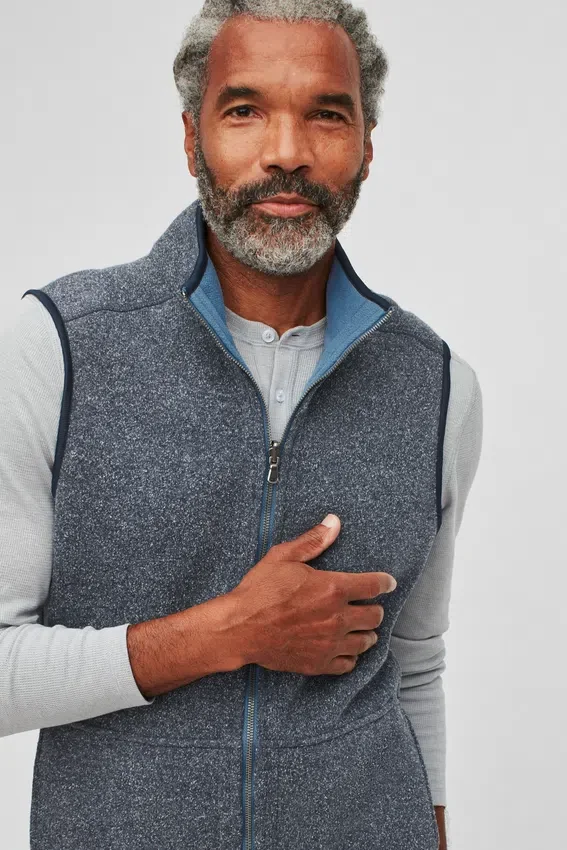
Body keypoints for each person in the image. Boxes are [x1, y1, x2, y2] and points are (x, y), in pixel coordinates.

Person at [0, 2, 483, 849]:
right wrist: (227, 632)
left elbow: (413, 663)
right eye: (245, 110)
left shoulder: (436, 383)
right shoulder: (59, 346)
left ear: (366, 145)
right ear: (192, 138)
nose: (287, 151)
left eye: (326, 114)